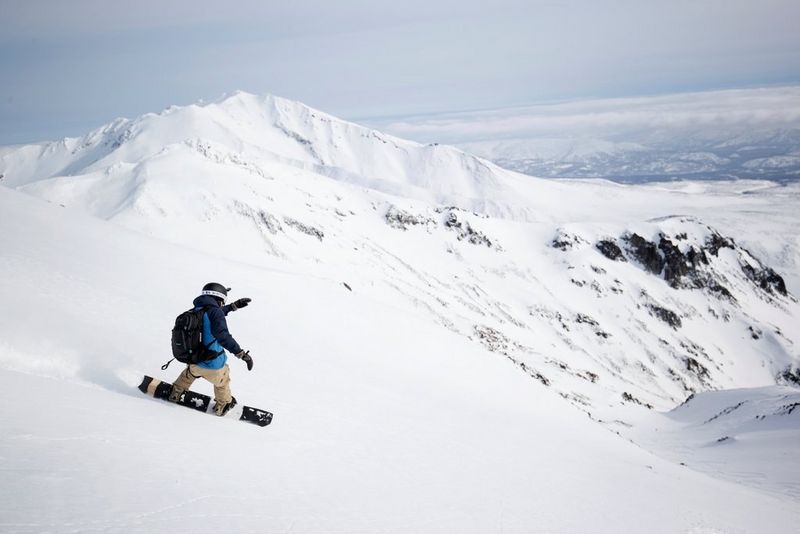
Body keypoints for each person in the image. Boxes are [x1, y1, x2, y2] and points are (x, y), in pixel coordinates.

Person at [170, 282, 254, 416]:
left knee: (189, 374)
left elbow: (214, 313)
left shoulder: (196, 310)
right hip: (214, 365)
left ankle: (176, 393)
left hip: (195, 361)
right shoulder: (215, 313)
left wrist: (233, 306)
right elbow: (223, 336)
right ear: (220, 299)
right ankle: (223, 405)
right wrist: (242, 354)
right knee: (223, 381)